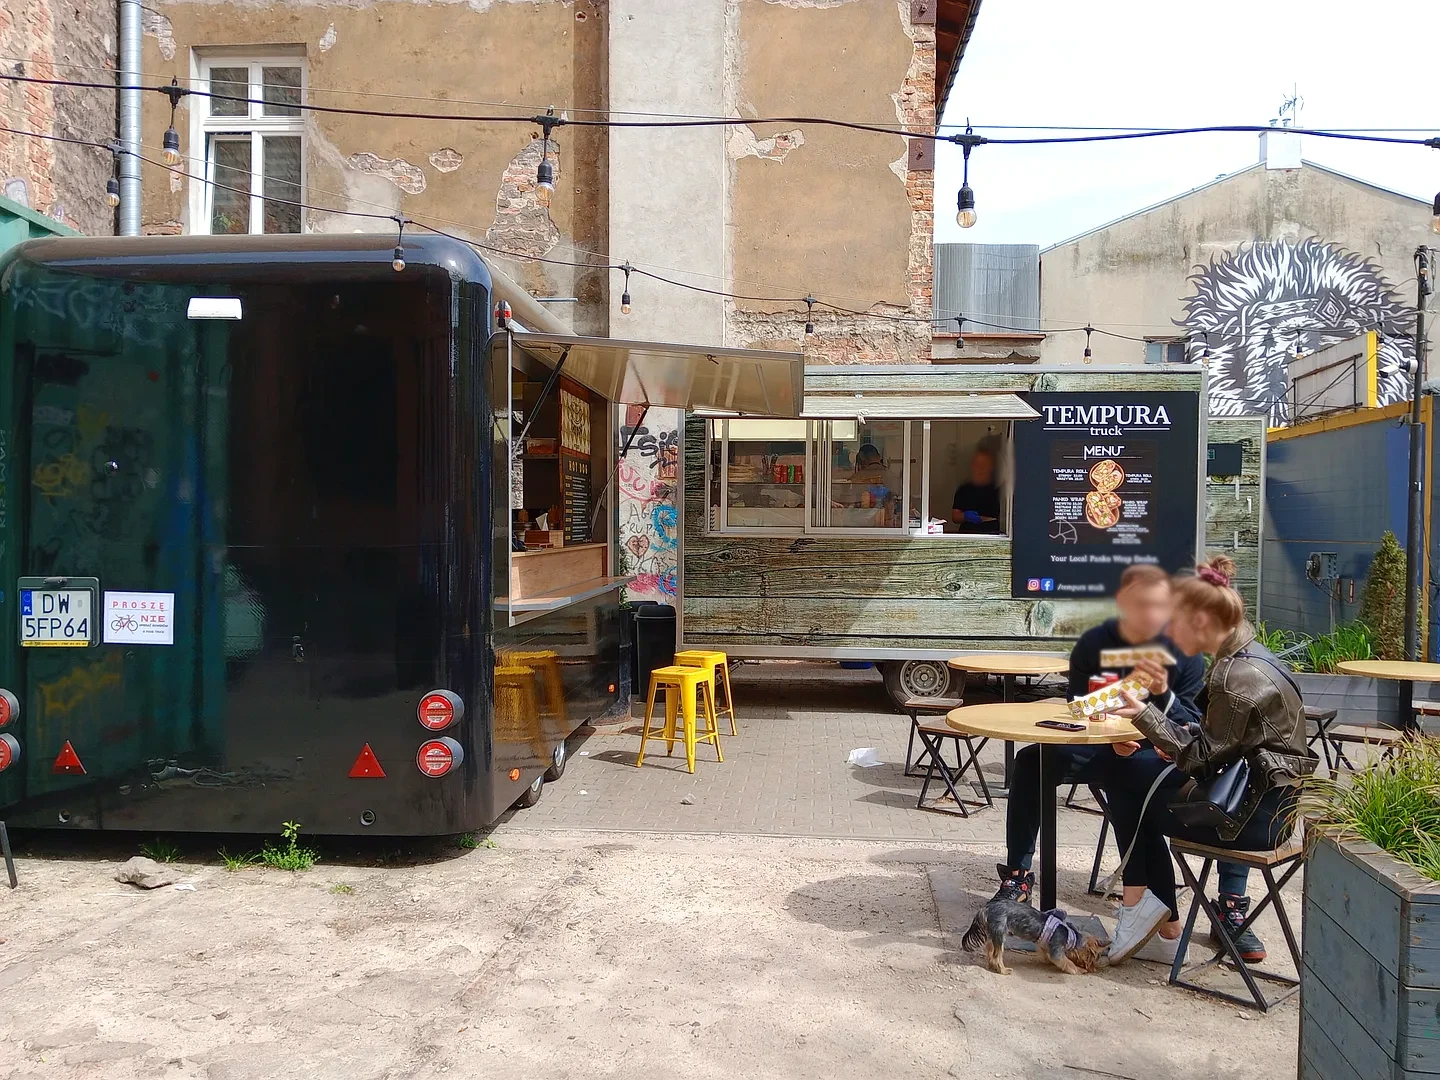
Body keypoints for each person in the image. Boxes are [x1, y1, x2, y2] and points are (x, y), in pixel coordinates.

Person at [1098, 555, 1316, 966]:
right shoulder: (1249, 655)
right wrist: (1168, 735)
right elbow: (1223, 743)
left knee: (1126, 787)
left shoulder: (1235, 678)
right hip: (1268, 805)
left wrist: (1144, 716)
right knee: (1130, 776)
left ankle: (1147, 906)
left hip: (1251, 819)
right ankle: (1148, 906)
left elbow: (1201, 759)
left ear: (1199, 620)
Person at [991, 564, 1207, 959]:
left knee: (1132, 784)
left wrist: (1140, 731)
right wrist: (1108, 730)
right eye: (1141, 604)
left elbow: (1189, 725)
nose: (1151, 614)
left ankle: (1158, 918)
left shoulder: (1185, 654)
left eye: (1160, 605)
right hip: (1100, 747)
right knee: (1031, 762)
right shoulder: (1095, 643)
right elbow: (1076, 706)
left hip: (1154, 754)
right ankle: (1019, 876)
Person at [951, 449, 1001, 534]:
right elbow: (955, 517)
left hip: (993, 536)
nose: (981, 468)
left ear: (991, 467)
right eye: (977, 465)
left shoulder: (998, 490)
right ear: (972, 466)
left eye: (984, 465)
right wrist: (965, 516)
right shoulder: (964, 490)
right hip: (967, 535)